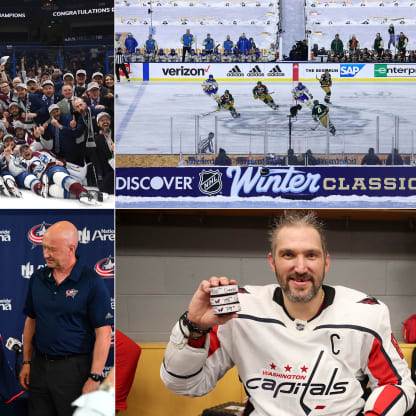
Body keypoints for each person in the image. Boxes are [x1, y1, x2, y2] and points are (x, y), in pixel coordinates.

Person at [160, 210, 416, 416]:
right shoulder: (238, 312)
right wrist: (194, 328)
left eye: (311, 255)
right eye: (288, 255)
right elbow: (184, 384)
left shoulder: (365, 314)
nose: (300, 267)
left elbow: (396, 384)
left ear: (326, 261)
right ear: (272, 261)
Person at [18, 221, 113, 416]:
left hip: (74, 370)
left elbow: (104, 333)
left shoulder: (91, 282)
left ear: (72, 248)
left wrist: (94, 378)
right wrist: (27, 362)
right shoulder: (38, 278)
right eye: (44, 247)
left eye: (52, 249)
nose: (45, 254)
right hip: (40, 367)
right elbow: (31, 321)